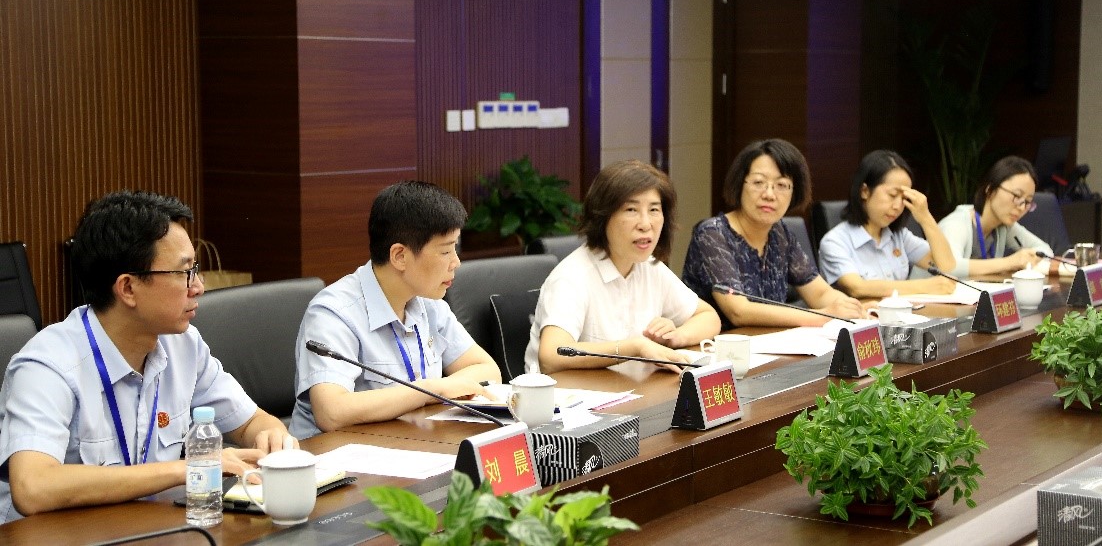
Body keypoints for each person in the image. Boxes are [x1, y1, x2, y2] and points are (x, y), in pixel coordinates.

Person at [0, 191, 296, 522]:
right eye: (184, 272)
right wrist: (185, 469)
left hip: (147, 529)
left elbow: (252, 421)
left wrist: (271, 437)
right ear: (128, 288)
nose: (198, 286)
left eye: (195, 269)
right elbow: (33, 487)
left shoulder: (183, 345)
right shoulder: (48, 366)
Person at [290, 181, 501, 439]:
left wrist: (435, 390)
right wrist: (430, 391)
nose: (456, 262)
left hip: (410, 443)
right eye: (446, 251)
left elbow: (487, 369)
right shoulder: (334, 313)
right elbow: (332, 411)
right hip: (336, 456)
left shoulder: (429, 303)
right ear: (399, 256)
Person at [527, 160, 720, 374]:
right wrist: (635, 348)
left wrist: (676, 336)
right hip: (572, 393)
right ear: (602, 216)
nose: (645, 224)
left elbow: (708, 317)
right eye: (631, 209)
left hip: (634, 389)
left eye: (654, 210)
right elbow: (552, 355)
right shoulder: (572, 276)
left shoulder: (650, 266)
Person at [683, 139, 866, 329]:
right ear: (740, 184)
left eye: (781, 185)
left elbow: (820, 293)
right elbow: (739, 311)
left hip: (771, 341)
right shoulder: (712, 234)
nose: (769, 194)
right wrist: (825, 316)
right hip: (718, 344)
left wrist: (852, 308)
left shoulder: (780, 235)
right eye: (758, 182)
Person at [818, 150, 956, 297]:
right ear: (864, 191)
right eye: (892, 195)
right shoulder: (835, 241)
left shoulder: (899, 236)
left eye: (903, 198)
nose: (898, 206)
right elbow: (857, 288)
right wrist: (925, 286)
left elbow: (946, 266)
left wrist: (925, 217)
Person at [937, 156, 1055, 278]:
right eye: (1016, 195)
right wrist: (1011, 262)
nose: (1021, 207)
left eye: (1027, 202)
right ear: (990, 190)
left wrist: (1027, 260)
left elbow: (1045, 251)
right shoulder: (956, 224)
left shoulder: (1005, 226)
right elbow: (950, 267)